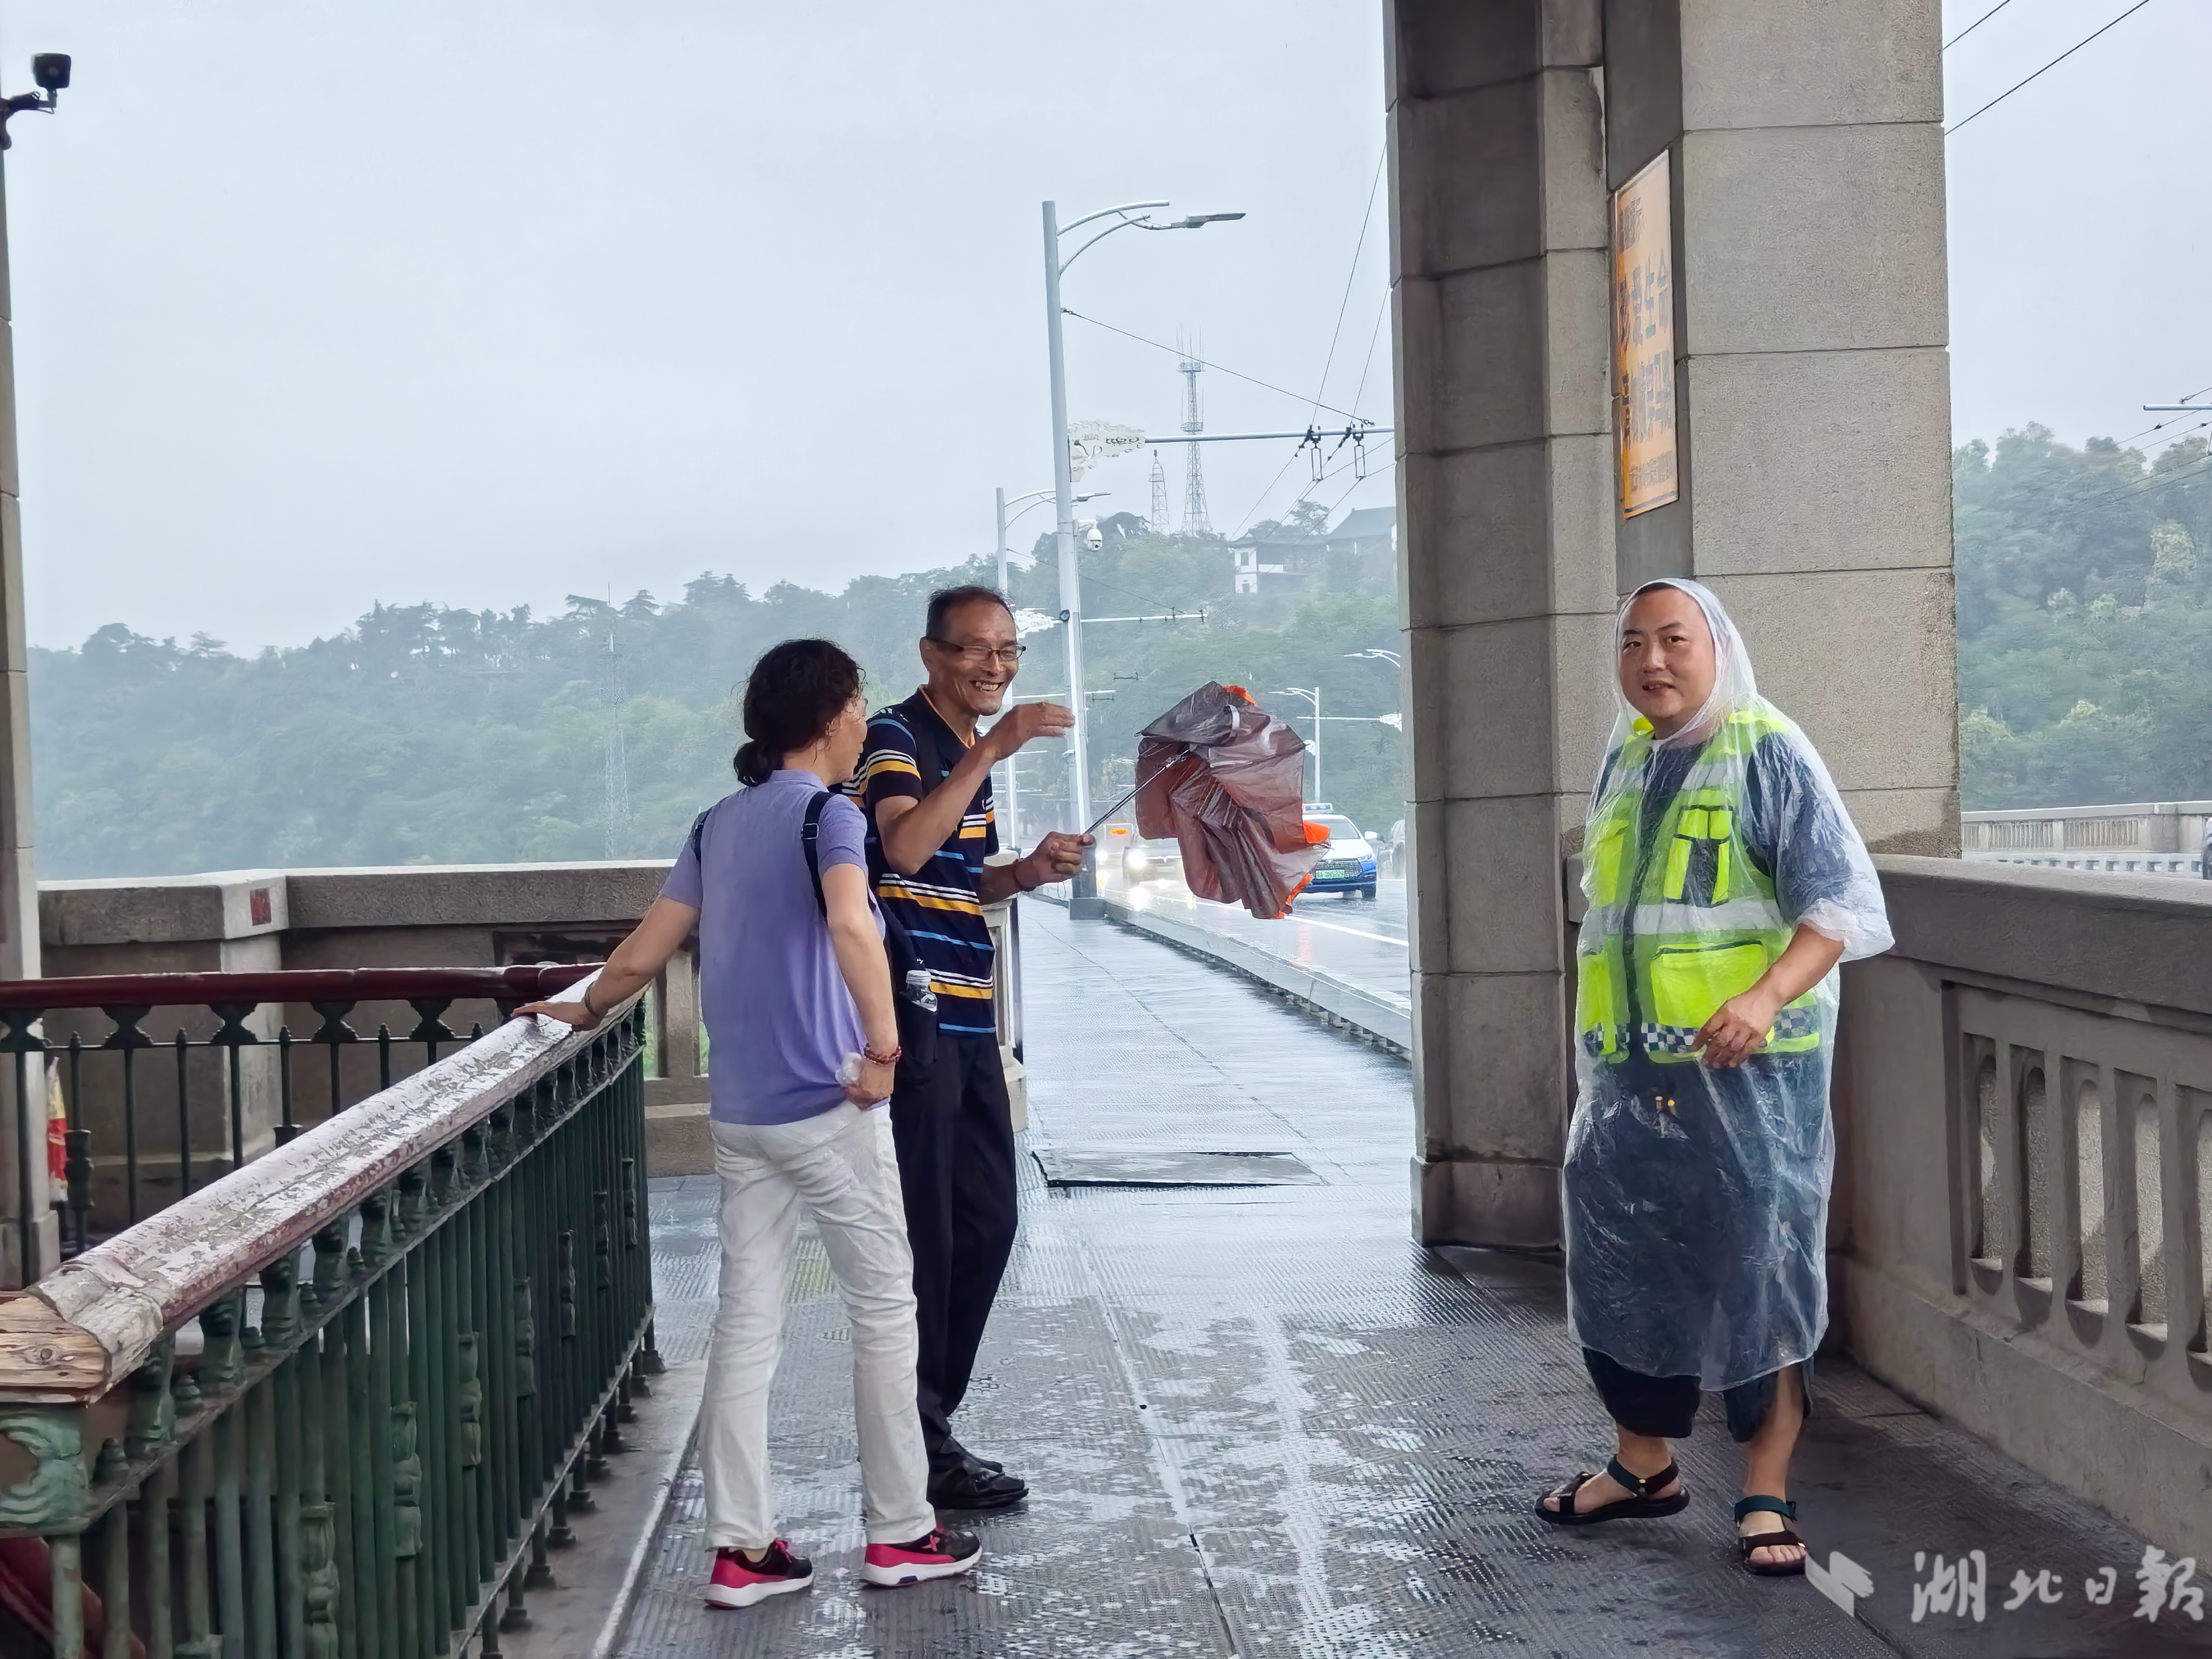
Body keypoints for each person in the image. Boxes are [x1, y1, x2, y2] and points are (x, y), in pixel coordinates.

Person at [521, 638, 980, 1610]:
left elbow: (645, 952)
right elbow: (852, 927)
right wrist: (884, 1048)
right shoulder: (831, 816)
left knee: (746, 1323)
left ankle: (742, 1550)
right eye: (857, 708)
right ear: (834, 718)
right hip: (828, 1107)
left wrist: (583, 1008)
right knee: (883, 1310)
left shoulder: (715, 823)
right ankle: (902, 1532)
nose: (862, 724)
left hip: (741, 1115)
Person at [1535, 579, 1891, 1577]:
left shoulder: (1766, 749)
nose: (1652, 661)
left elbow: (1840, 905)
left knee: (1762, 1271)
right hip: (1629, 1076)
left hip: (1750, 1078)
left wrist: (1765, 997)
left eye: (1674, 640)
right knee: (1619, 1263)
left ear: (1718, 647)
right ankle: (1643, 1466)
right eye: (1633, 643)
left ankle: (1766, 1491)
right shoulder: (1629, 759)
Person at [848, 584, 1089, 1508]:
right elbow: (904, 849)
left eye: (1010, 650)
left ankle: (931, 1427)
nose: (997, 666)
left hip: (968, 1017)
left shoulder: (962, 755)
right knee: (931, 1238)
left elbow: (956, 878)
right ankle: (919, 1447)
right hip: (914, 1025)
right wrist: (995, 746)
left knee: (988, 1225)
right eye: (977, 649)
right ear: (931, 655)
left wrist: (1027, 870)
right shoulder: (895, 738)